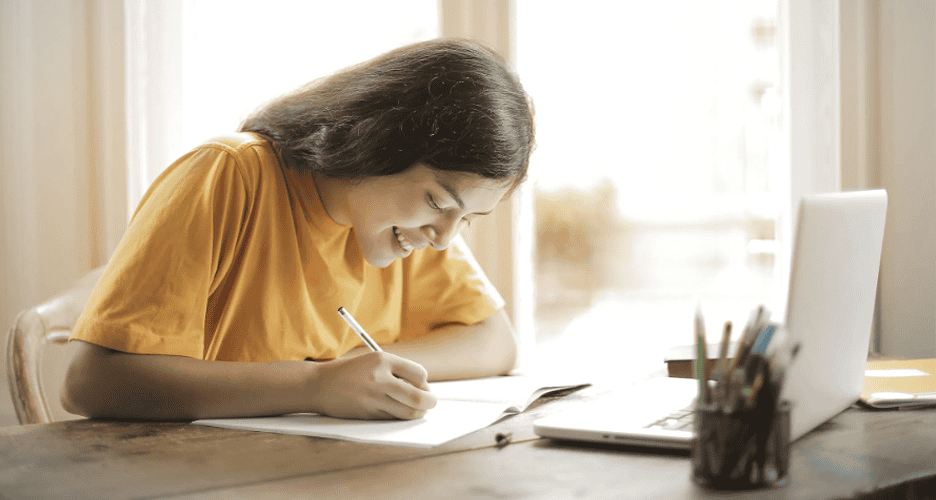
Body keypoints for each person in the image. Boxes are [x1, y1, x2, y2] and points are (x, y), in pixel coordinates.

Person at [61, 38, 535, 422]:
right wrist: (315, 386)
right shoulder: (229, 175)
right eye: (438, 202)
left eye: (467, 219)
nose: (446, 238)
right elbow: (90, 381)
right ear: (376, 142)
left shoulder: (411, 228)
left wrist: (360, 372)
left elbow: (494, 341)